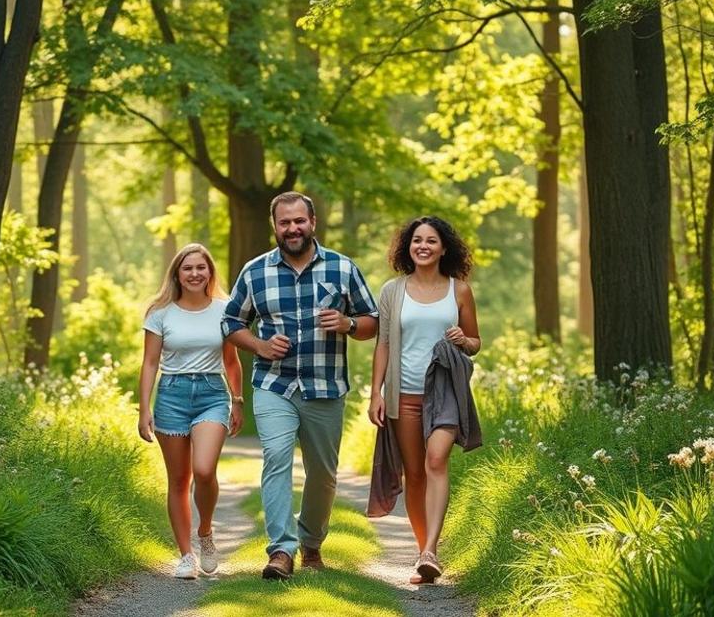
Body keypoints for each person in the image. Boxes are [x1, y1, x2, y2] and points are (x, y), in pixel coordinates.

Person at [223, 192, 379, 580]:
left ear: (313, 223)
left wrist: (348, 325)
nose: (292, 229)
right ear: (274, 227)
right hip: (274, 384)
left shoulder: (342, 269)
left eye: (299, 221)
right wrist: (259, 345)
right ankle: (281, 550)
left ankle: (311, 543)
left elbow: (373, 320)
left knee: (323, 473)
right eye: (284, 223)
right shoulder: (255, 272)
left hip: (326, 386)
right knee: (276, 457)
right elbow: (231, 323)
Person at [368, 216, 482, 584]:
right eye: (417, 240)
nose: (423, 246)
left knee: (436, 461)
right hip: (405, 394)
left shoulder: (459, 290)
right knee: (415, 475)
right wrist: (376, 393)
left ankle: (431, 549)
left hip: (446, 391)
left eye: (431, 241)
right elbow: (383, 344)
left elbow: (476, 342)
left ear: (444, 247)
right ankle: (424, 555)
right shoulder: (392, 291)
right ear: (408, 247)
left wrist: (464, 341)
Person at [138, 243, 244, 580]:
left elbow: (231, 360)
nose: (195, 273)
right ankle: (185, 555)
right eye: (188, 268)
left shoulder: (225, 309)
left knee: (203, 469)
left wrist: (237, 400)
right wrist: (144, 409)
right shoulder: (160, 313)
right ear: (177, 274)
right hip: (171, 395)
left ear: (210, 272)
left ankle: (206, 533)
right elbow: (150, 363)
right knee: (179, 480)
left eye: (201, 267)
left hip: (212, 394)